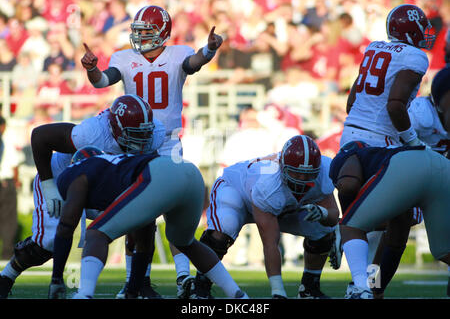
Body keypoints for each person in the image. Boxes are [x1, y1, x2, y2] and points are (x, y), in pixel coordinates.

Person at [80, 5, 223, 299]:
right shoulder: (124, 57)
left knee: (176, 209)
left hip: (168, 141)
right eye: (139, 31)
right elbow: (102, 81)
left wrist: (208, 51)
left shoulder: (178, 53)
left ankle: (183, 276)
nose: (141, 36)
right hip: (133, 142)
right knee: (138, 214)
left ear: (163, 33)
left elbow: (193, 63)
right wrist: (92, 68)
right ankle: (137, 281)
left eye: (147, 31)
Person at [0, 94, 165, 299]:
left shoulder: (154, 133)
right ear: (115, 128)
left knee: (142, 215)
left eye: (144, 134)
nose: (141, 141)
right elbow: (40, 136)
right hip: (65, 180)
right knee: (48, 243)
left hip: (106, 181)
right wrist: (49, 186)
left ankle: (136, 285)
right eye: (133, 134)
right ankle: (6, 277)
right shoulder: (92, 133)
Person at [55, 147, 248, 299]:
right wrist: (133, 288)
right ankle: (238, 295)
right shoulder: (116, 169)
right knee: (186, 243)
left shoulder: (75, 173)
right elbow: (145, 238)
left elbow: (66, 226)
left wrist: (56, 278)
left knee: (96, 233)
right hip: (190, 172)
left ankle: (84, 294)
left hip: (159, 173)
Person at [336, 4, 436, 270]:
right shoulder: (415, 56)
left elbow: (351, 101)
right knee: (403, 219)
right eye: (421, 26)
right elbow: (394, 106)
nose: (426, 32)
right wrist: (412, 141)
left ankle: (348, 239)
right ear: (411, 29)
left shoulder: (374, 47)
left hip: (351, 132)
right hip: (382, 141)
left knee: (386, 216)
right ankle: (369, 280)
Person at [191, 135, 340, 299]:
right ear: (282, 167)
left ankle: (309, 288)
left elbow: (333, 216)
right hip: (237, 191)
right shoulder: (268, 184)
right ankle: (199, 286)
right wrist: (278, 291)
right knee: (225, 226)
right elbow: (270, 243)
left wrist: (323, 213)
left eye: (308, 174)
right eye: (296, 174)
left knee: (323, 228)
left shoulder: (325, 170)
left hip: (280, 205)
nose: (302, 181)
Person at [367, 66, 450, 299]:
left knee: (399, 238)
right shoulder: (422, 115)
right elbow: (392, 139)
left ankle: (373, 287)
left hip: (435, 178)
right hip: (407, 171)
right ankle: (373, 287)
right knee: (394, 233)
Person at [329, 141, 450, 299]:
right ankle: (368, 289)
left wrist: (344, 222)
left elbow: (348, 185)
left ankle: (360, 289)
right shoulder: (393, 184)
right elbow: (396, 242)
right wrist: (377, 288)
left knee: (350, 227)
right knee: (444, 251)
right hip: (442, 166)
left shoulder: (351, 155)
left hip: (408, 163)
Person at [0, 116, 24, 260]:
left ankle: (7, 252)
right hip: (6, 183)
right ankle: (7, 254)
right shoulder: (7, 142)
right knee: (8, 220)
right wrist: (16, 181)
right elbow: (15, 164)